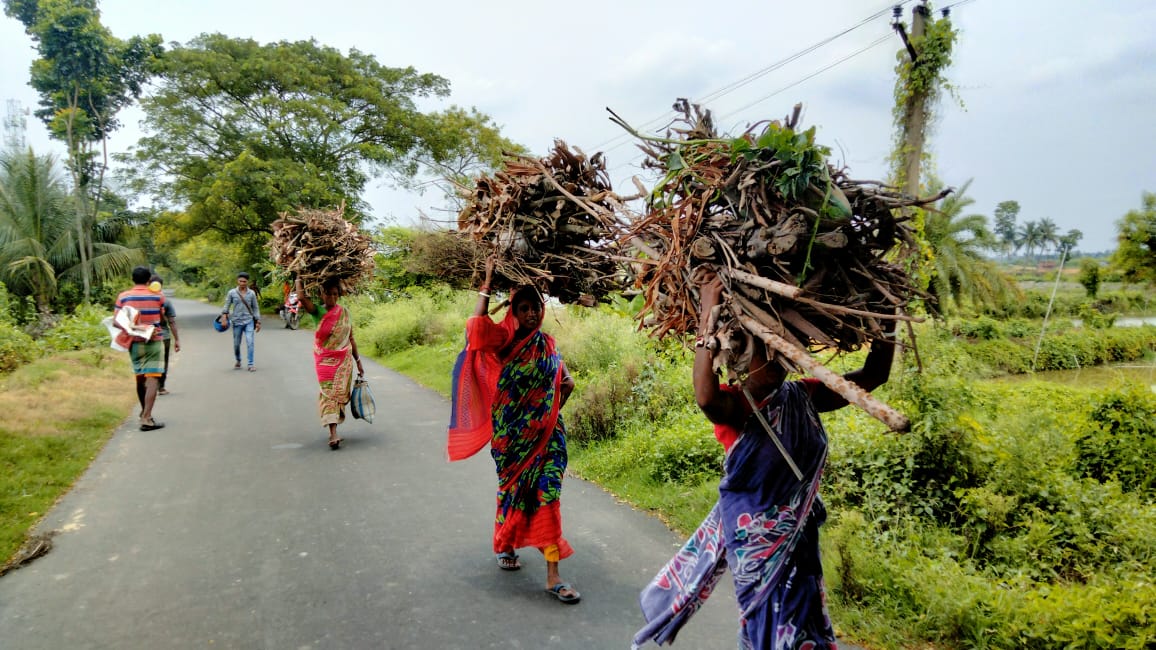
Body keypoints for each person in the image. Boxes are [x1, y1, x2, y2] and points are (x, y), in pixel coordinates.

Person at [633, 273, 897, 649]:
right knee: (766, 631)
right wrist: (709, 309)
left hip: (800, 542)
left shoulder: (804, 396)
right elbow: (705, 398)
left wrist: (888, 317)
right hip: (758, 545)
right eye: (765, 350)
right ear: (741, 356)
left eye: (781, 350)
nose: (776, 360)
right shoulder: (737, 406)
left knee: (801, 629)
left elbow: (873, 375)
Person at [447, 259, 580, 604]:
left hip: (549, 438)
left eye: (536, 307)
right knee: (514, 493)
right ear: (514, 312)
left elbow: (565, 383)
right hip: (512, 440)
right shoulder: (504, 338)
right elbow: (475, 330)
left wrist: (550, 412)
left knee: (548, 495)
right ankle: (506, 542)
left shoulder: (547, 344)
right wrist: (487, 284)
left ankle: (553, 576)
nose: (532, 314)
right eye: (524, 308)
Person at [295, 277, 364, 450]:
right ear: (321, 294)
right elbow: (302, 298)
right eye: (328, 294)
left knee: (339, 395)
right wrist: (298, 277)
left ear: (339, 295)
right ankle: (333, 433)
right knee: (328, 394)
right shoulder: (317, 311)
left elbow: (351, 339)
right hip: (325, 362)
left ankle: (334, 426)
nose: (331, 298)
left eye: (335, 294)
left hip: (344, 362)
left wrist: (359, 361)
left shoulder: (345, 313)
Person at [114, 266, 169, 431]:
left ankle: (144, 413)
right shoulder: (158, 295)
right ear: (148, 280)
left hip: (134, 341)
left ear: (132, 279)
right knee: (153, 378)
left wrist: (135, 327)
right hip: (154, 339)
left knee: (140, 377)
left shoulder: (123, 297)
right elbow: (161, 317)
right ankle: (146, 417)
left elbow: (117, 321)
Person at [218, 271, 261, 371]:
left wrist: (258, 321)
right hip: (236, 321)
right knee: (236, 344)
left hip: (249, 321)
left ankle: (250, 364)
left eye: (244, 281)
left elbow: (255, 308)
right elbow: (227, 305)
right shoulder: (232, 293)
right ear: (237, 281)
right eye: (240, 281)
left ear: (247, 282)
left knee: (250, 342)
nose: (242, 283)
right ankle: (238, 360)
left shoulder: (252, 293)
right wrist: (224, 317)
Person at [149, 274, 180, 395]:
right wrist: (177, 339)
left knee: (150, 361)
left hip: (147, 336)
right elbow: (171, 322)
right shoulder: (166, 302)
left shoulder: (143, 300)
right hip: (164, 335)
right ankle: (161, 387)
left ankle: (149, 385)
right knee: (163, 362)